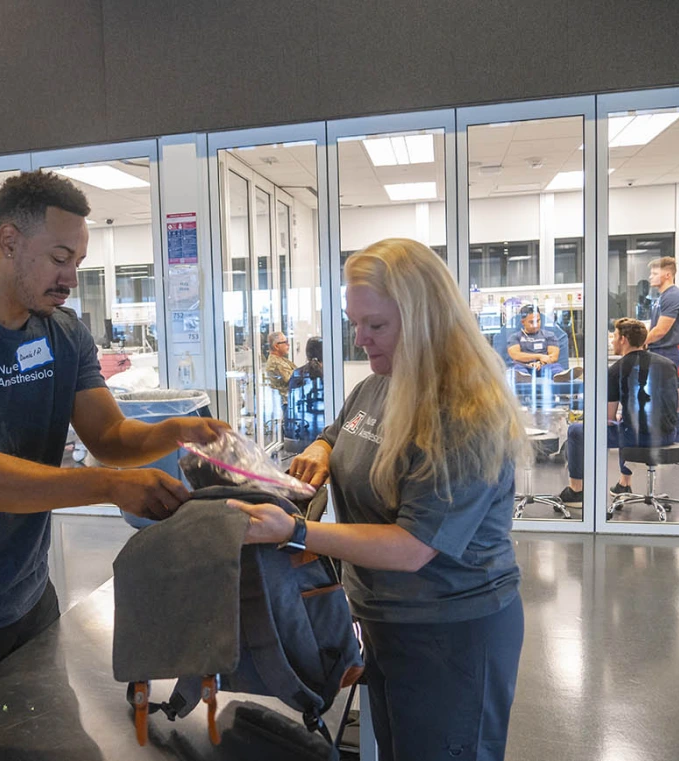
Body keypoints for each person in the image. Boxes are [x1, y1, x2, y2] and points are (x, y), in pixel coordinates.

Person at [0, 170, 227, 733]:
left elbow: (108, 436)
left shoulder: (62, 333)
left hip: (26, 592)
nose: (70, 278)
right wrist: (106, 485)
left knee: (47, 736)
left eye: (78, 262)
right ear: (9, 242)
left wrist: (178, 430)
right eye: (60, 257)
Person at [230, 238, 525, 761]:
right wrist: (322, 449)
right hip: (383, 621)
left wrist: (295, 531)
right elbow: (340, 429)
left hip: (449, 634)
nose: (360, 339)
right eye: (355, 322)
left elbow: (413, 547)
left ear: (424, 316)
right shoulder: (381, 383)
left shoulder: (462, 413)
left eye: (376, 325)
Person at [559, 318, 679, 504]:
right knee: (625, 423)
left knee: (577, 431)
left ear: (624, 339)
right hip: (667, 435)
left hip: (637, 438)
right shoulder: (667, 364)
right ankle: (623, 484)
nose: (612, 341)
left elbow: (608, 418)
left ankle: (576, 490)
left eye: (615, 337)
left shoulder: (617, 369)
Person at [645, 256, 679, 368]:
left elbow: (660, 330)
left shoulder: (673, 296)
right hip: (657, 351)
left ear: (667, 275)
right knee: (666, 385)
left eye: (655, 274)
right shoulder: (662, 297)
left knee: (665, 385)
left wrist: (639, 343)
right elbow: (654, 325)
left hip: (665, 353)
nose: (650, 277)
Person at [507, 304, 562, 376]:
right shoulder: (515, 337)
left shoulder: (549, 335)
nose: (535, 325)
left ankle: (560, 375)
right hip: (523, 366)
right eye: (531, 322)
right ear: (523, 322)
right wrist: (539, 357)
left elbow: (554, 356)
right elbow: (516, 355)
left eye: (538, 321)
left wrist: (539, 363)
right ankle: (524, 377)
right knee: (517, 369)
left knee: (556, 367)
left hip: (544, 365)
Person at [264, 331, 295, 401]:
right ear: (276, 346)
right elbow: (294, 379)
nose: (288, 345)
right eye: (285, 342)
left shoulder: (281, 359)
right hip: (285, 402)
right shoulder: (276, 363)